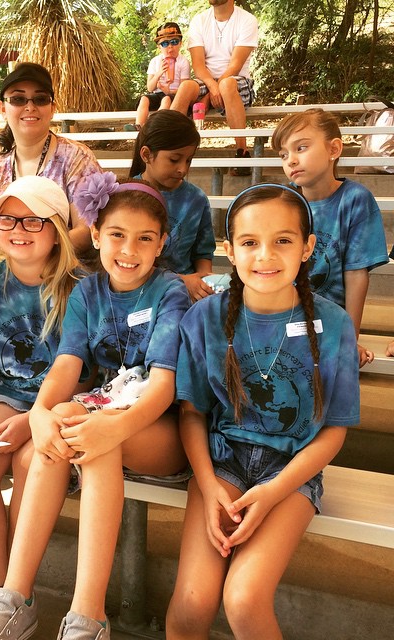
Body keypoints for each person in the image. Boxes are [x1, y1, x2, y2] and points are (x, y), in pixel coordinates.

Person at [0, 173, 190, 640]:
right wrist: (40, 414)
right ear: (95, 235)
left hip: (159, 428)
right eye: (116, 236)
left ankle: (89, 616)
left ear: (161, 244)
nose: (128, 250)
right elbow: (67, 367)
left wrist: (110, 426)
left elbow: (165, 387)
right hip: (102, 412)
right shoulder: (88, 292)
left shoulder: (169, 292)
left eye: (144, 239)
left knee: (94, 434)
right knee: (67, 424)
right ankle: (14, 597)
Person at [166, 184, 360, 639]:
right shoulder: (203, 319)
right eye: (250, 243)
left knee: (244, 599)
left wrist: (273, 491)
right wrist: (210, 484)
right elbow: (192, 413)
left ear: (308, 247)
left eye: (283, 240)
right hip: (222, 462)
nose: (265, 255)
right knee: (192, 605)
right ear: (229, 251)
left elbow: (333, 431)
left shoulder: (333, 325)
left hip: (293, 470)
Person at [0, 176, 80, 624]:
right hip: (8, 392)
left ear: (58, 226)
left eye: (32, 220)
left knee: (29, 461)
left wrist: (34, 418)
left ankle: (15, 591)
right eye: (7, 218)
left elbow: (84, 372)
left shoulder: (80, 287)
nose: (17, 229)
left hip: (65, 399)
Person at [272, 108, 389, 368]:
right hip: (282, 312)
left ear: (334, 149)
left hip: (330, 319)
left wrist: (350, 338)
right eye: (283, 154)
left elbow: (357, 273)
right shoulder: (282, 200)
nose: (290, 160)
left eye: (300, 148)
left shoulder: (355, 200)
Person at [0, 62, 102, 267]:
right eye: (18, 99)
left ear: (52, 108)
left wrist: (30, 259)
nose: (30, 106)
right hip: (6, 274)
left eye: (40, 99)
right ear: (3, 109)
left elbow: (86, 229)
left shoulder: (76, 158)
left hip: (62, 276)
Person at [129, 109, 216, 302]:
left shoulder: (196, 199)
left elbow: (203, 253)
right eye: (174, 160)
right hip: (139, 292)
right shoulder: (126, 197)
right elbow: (125, 260)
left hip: (186, 295)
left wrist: (204, 284)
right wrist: (181, 281)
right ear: (146, 155)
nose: (183, 169)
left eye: (188, 160)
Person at [170, 0, 258, 176]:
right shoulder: (199, 20)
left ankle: (242, 153)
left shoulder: (247, 20)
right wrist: (211, 87)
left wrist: (213, 92)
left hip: (237, 80)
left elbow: (236, 64)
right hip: (207, 80)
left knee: (226, 84)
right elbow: (198, 65)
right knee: (186, 86)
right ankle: (166, 146)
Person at [130, 23, 190, 131]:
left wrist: (169, 92)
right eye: (165, 43)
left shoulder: (183, 62)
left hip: (173, 95)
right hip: (157, 93)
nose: (170, 47)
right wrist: (159, 73)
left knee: (166, 99)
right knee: (144, 99)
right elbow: (150, 88)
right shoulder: (155, 61)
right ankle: (138, 126)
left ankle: (155, 126)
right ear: (159, 46)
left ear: (180, 43)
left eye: (174, 42)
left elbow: (184, 89)